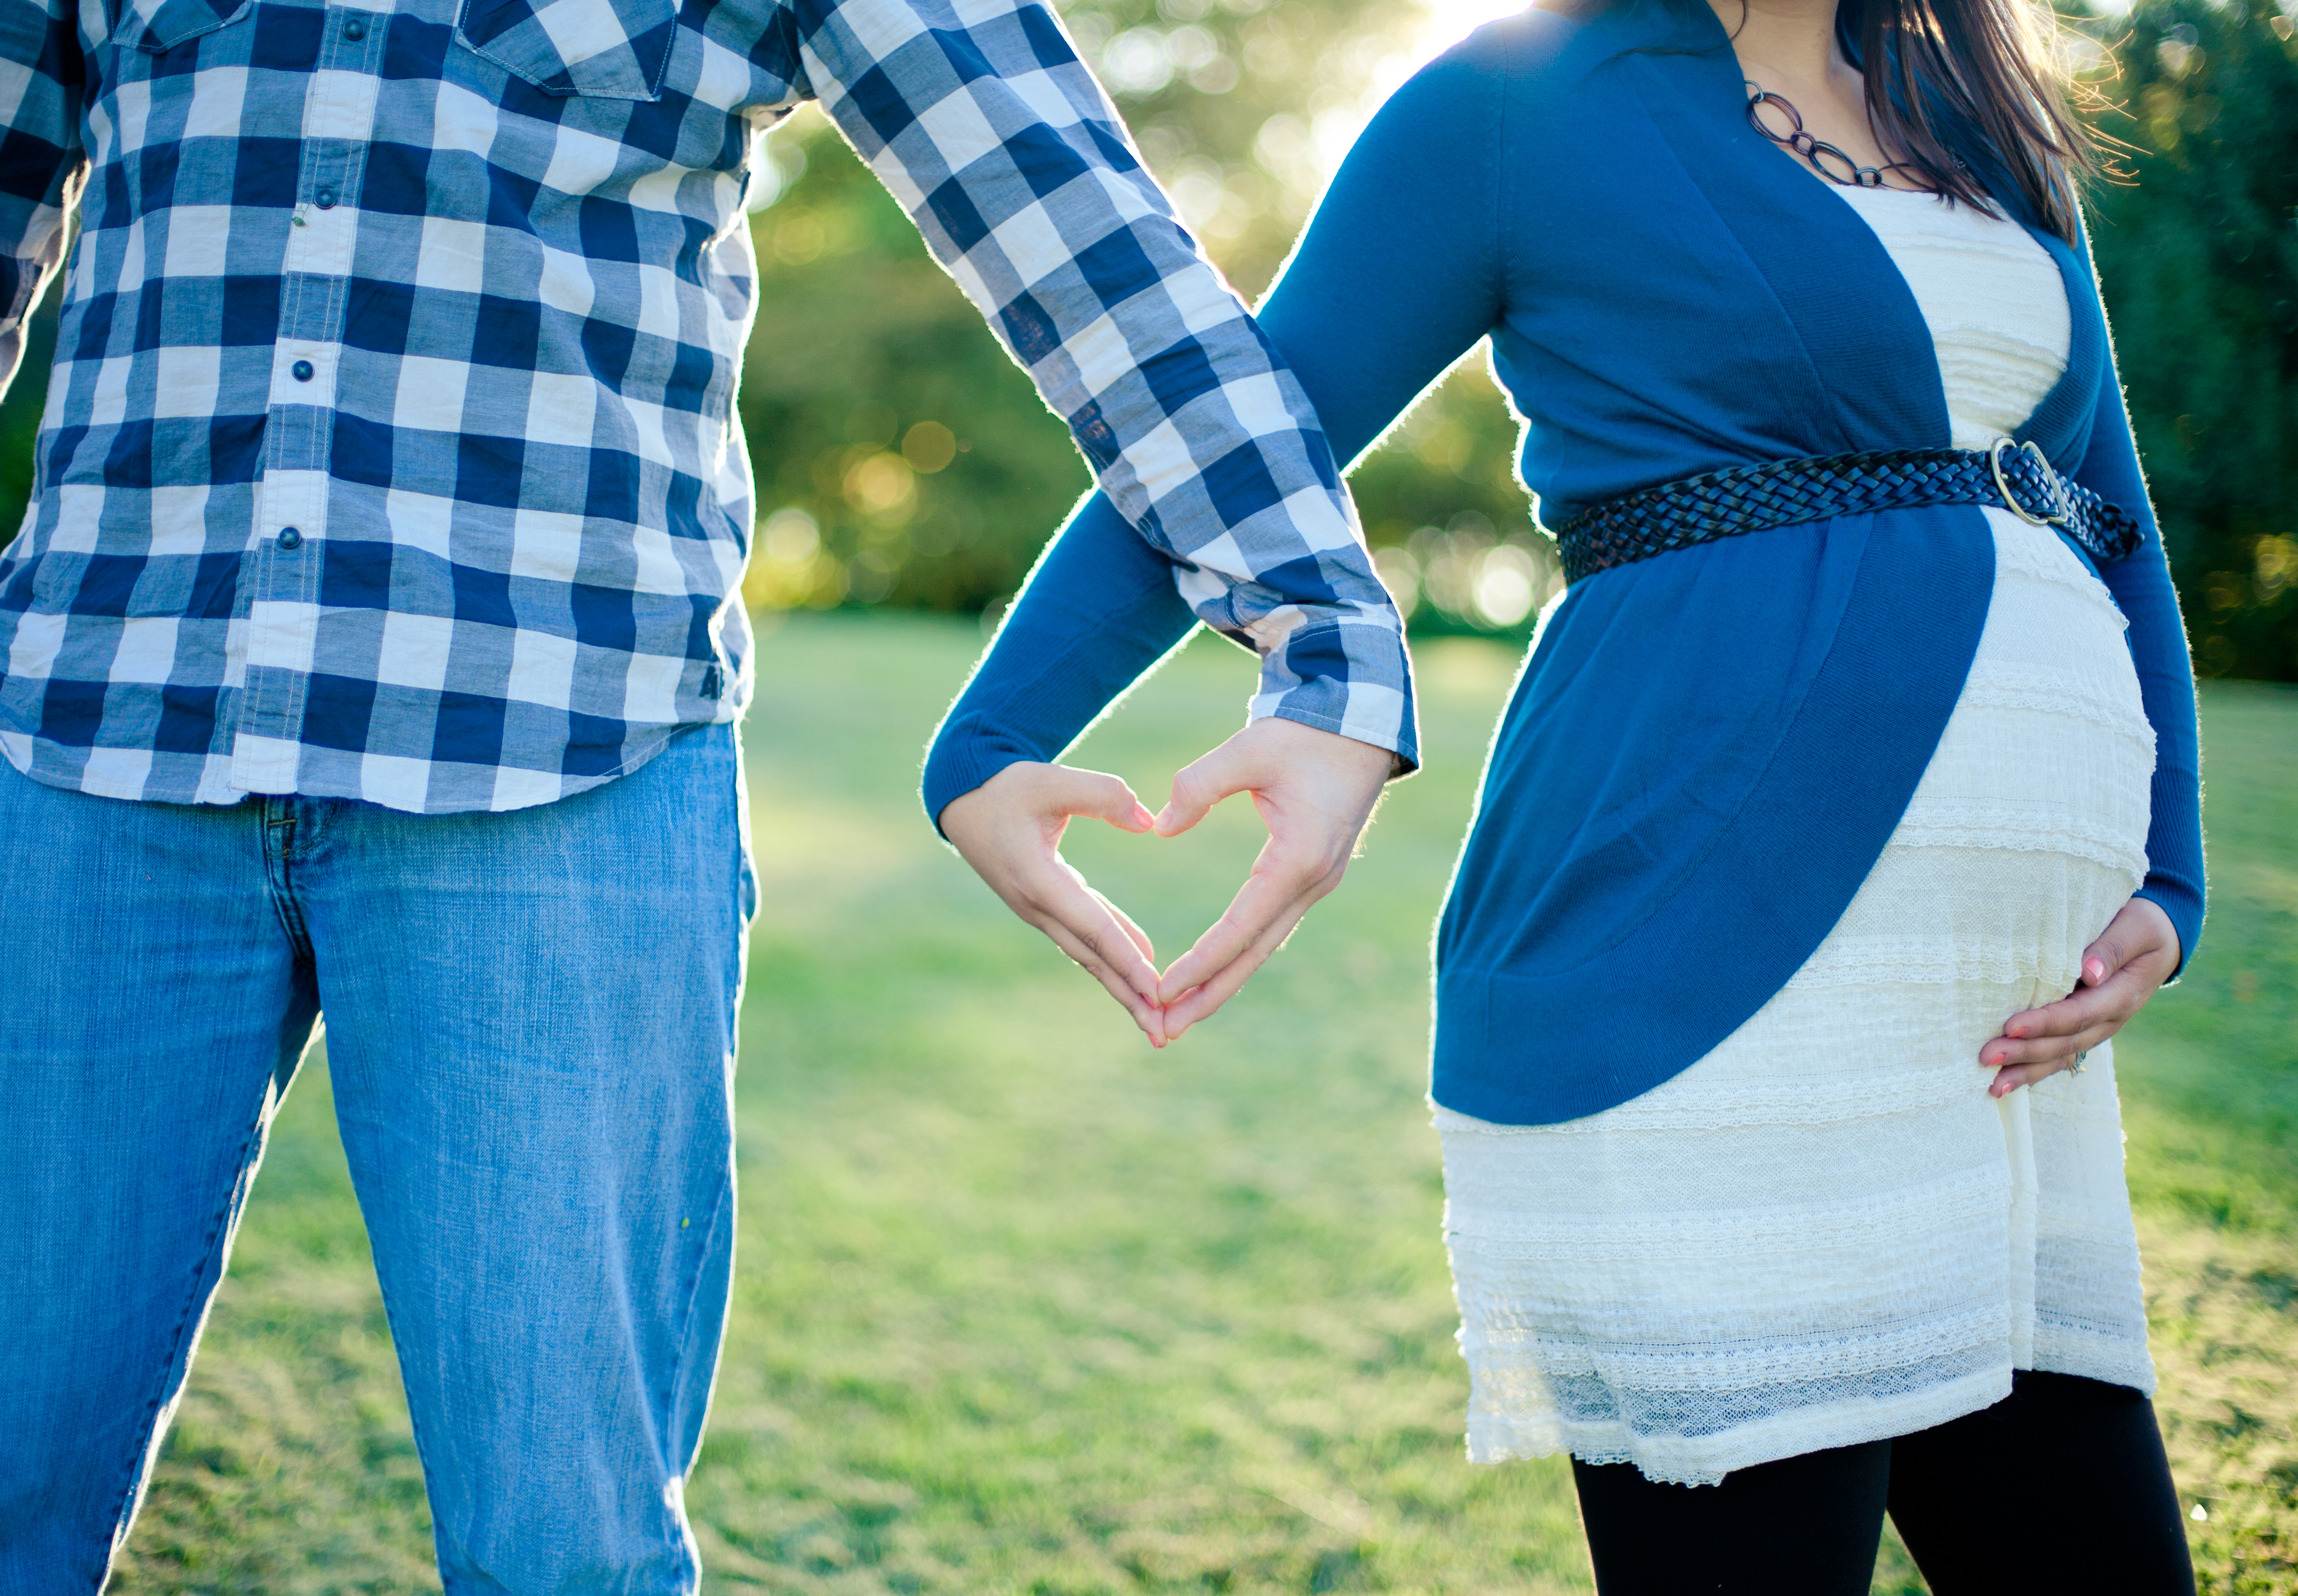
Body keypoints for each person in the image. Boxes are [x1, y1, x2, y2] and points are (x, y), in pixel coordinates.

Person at [0, 0, 1422, 1579]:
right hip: (90, 739)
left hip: (564, 756)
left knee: (568, 1556)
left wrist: (1316, 624)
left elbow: (1061, 212)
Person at [928, 0, 2206, 1586]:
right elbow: (1241, 444)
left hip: (2003, 1046)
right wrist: (990, 742)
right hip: (1708, 975)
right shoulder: (1512, 107)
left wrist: (2171, 878)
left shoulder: (1984, 113)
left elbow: (2112, 519)